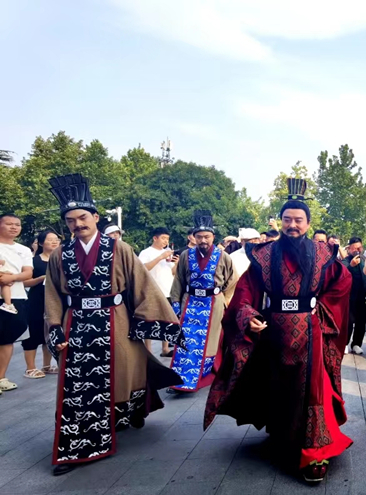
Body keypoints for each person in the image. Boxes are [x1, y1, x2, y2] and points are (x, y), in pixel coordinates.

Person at [205, 178, 353, 483]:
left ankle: (314, 451)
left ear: (308, 223)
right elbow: (245, 290)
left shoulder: (323, 253)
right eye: (287, 220)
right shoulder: (263, 254)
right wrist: (248, 315)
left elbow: (344, 281)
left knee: (311, 390)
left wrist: (323, 308)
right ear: (280, 222)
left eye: (298, 220)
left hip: (309, 330)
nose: (292, 225)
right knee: (277, 385)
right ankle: (282, 435)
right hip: (273, 329)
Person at [44, 174, 183, 476]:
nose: (77, 224)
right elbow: (52, 294)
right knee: (76, 387)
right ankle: (77, 447)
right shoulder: (60, 255)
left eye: (83, 217)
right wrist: (54, 327)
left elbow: (141, 285)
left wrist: (147, 321)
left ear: (95, 217)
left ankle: (131, 411)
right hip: (75, 326)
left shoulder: (119, 249)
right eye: (70, 220)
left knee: (126, 373)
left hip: (115, 321)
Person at [169, 211, 237, 393]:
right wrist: (175, 303)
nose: (203, 240)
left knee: (210, 342)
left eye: (207, 236)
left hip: (213, 303)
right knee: (186, 342)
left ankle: (204, 375)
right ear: (194, 238)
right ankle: (181, 378)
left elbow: (232, 281)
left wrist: (224, 300)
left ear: (213, 237)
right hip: (190, 303)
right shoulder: (186, 255)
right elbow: (179, 281)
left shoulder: (223, 256)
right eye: (199, 237)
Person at [0, 213, 33, 395]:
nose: (14, 227)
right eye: (9, 224)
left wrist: (10, 278)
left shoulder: (24, 250)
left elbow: (28, 273)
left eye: (17, 224)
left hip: (16, 297)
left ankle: (1, 377)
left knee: (7, 337)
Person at [21, 230, 61, 379]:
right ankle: (30, 368)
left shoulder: (61, 260)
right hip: (37, 301)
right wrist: (41, 279)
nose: (54, 242)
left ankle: (47, 365)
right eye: (50, 239)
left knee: (49, 334)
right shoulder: (34, 261)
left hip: (56, 302)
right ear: (42, 243)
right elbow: (24, 282)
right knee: (34, 334)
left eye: (56, 239)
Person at [138, 227, 179, 357]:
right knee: (149, 320)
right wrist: (160, 257)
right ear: (155, 238)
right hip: (152, 291)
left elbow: (172, 273)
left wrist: (176, 264)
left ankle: (165, 348)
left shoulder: (167, 253)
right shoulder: (146, 252)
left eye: (167, 239)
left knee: (167, 319)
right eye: (163, 238)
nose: (165, 241)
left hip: (167, 291)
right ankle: (148, 350)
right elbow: (142, 269)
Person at [344, 237, 366, 355]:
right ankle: (345, 343)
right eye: (354, 248)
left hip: (363, 295)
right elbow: (341, 275)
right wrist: (351, 266)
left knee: (361, 321)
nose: (357, 250)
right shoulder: (345, 261)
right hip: (349, 296)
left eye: (359, 248)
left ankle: (357, 344)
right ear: (349, 249)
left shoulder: (364, 260)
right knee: (348, 321)